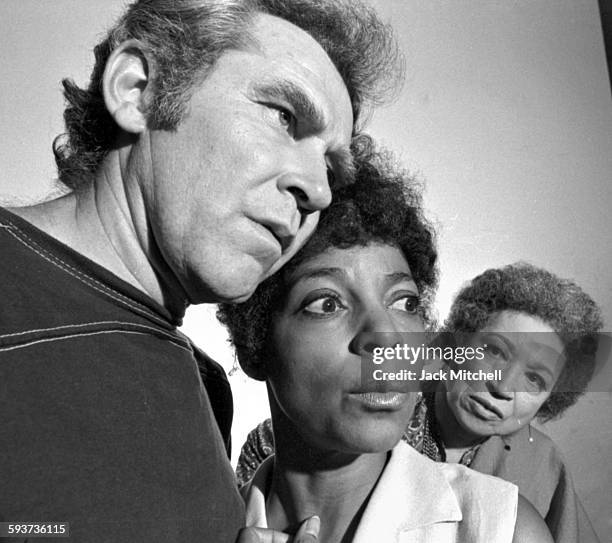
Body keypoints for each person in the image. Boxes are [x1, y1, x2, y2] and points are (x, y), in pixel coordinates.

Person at [0, 1, 401, 541]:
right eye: (284, 116)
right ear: (137, 90)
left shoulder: (207, 386)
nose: (319, 190)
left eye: (331, 167)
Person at [219, 145, 552, 542]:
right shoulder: (200, 525)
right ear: (254, 344)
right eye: (327, 303)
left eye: (405, 302)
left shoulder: (501, 528)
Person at [404, 263, 603, 543]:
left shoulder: (543, 464)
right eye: (495, 351)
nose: (503, 386)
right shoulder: (386, 405)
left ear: (551, 399)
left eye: (534, 379)